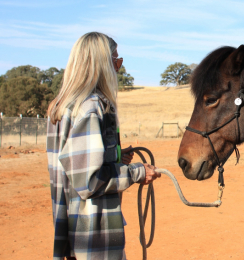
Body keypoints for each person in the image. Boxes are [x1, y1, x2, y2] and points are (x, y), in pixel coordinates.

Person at [47, 32, 160, 260]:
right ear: (101, 65)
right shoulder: (92, 108)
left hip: (73, 231)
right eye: (116, 62)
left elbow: (74, 167)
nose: (118, 69)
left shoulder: (63, 106)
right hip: (95, 237)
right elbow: (89, 180)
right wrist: (136, 173)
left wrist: (115, 156)